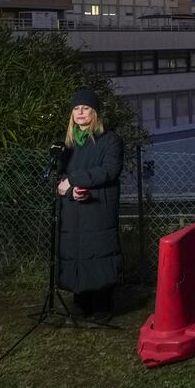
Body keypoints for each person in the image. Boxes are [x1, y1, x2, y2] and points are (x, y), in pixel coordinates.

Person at [56, 88, 123, 322]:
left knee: (99, 251)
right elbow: (59, 177)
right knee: (77, 252)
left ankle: (103, 304)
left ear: (94, 113)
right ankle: (81, 302)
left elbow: (109, 170)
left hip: (98, 207)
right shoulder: (67, 144)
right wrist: (72, 191)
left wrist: (74, 181)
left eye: (85, 108)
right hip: (73, 209)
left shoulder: (110, 139)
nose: (80, 112)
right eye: (76, 109)